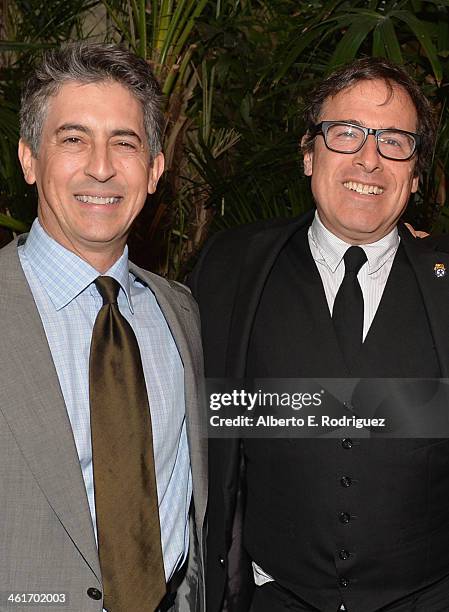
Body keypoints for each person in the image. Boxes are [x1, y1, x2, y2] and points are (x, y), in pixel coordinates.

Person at [190, 57, 449, 612]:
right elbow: (200, 423)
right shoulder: (230, 269)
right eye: (346, 133)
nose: (369, 158)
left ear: (416, 174)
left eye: (395, 141)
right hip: (274, 598)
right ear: (309, 154)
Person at [0, 42, 206, 612]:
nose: (101, 166)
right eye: (73, 139)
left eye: (125, 142)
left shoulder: (182, 314)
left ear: (156, 170)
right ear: (29, 159)